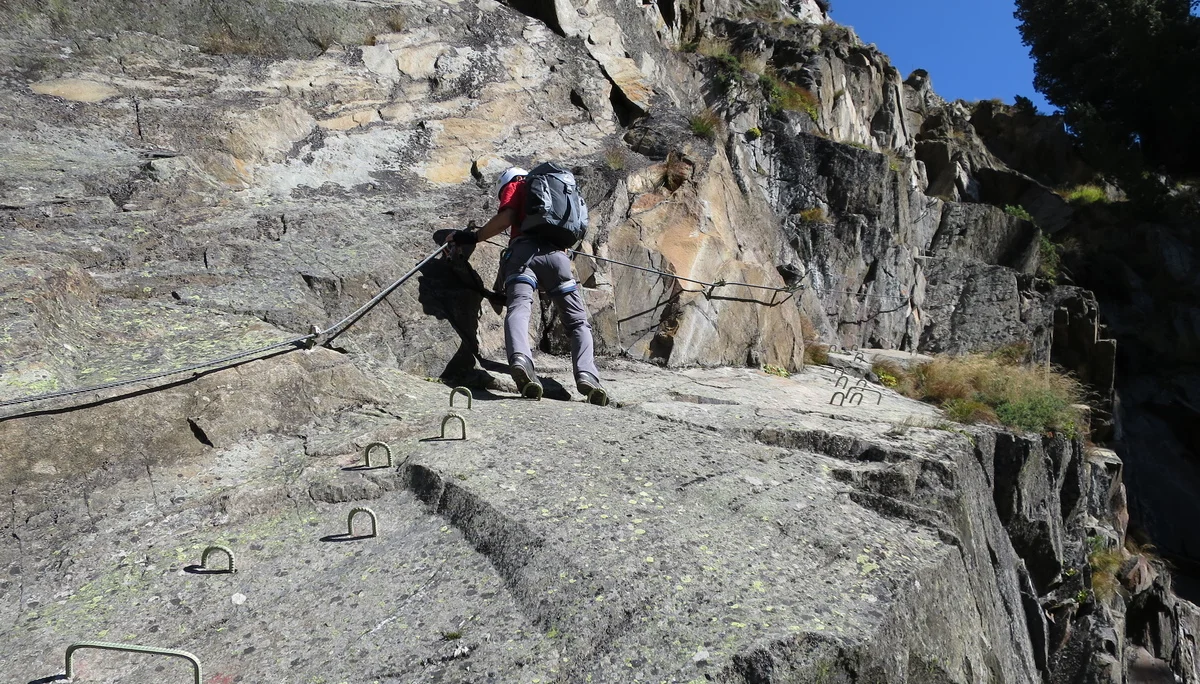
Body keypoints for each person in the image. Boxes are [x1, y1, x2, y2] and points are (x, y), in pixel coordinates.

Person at [444, 166, 608, 405]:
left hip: (523, 254)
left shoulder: (516, 184)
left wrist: (474, 237)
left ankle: (521, 360)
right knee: (578, 323)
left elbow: (507, 217)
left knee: (520, 307)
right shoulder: (556, 194)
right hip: (558, 259)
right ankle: (588, 376)